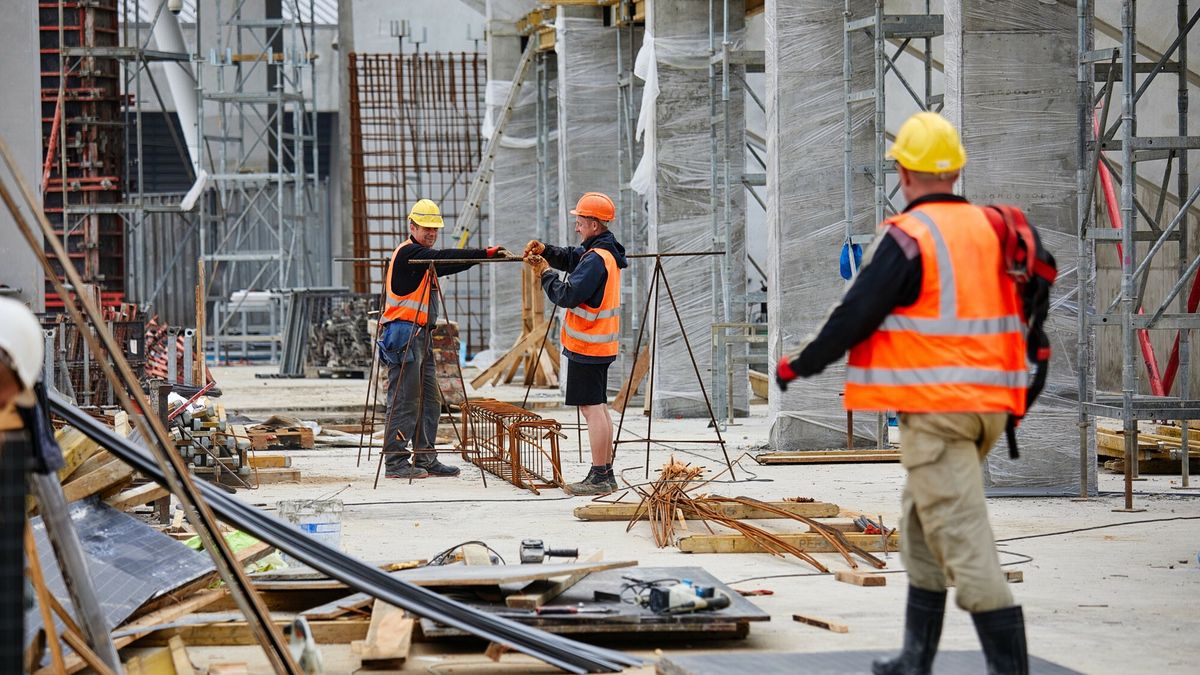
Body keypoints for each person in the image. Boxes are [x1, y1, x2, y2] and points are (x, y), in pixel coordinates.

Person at [775, 112, 1030, 675]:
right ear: (956, 170)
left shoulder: (910, 237)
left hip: (940, 411)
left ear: (905, 174)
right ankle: (915, 660)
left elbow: (856, 314)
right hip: (990, 406)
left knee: (963, 537)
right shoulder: (987, 228)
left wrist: (799, 364)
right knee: (918, 529)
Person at [379, 199, 507, 479]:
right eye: (426, 228)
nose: (431, 233)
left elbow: (448, 263)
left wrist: (481, 258)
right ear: (412, 226)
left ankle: (425, 456)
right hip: (403, 336)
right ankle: (395, 461)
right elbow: (446, 257)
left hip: (420, 337)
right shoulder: (409, 253)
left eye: (434, 228)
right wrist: (483, 254)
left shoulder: (424, 260)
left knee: (430, 400)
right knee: (405, 400)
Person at [524, 192, 627, 496]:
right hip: (598, 344)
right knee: (599, 408)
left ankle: (599, 475)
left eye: (580, 222)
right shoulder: (603, 251)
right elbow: (572, 257)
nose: (577, 226)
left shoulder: (596, 259)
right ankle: (605, 472)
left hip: (588, 344)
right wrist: (546, 251)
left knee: (591, 409)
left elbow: (567, 295)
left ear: (595, 224)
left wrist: (545, 274)